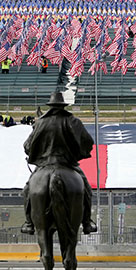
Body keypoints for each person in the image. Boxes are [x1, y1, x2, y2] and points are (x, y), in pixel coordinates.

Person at [20, 91, 97, 236]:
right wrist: (78, 153)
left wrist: (37, 153)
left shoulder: (41, 122)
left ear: (50, 106)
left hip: (45, 164)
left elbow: (27, 146)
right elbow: (88, 142)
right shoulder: (73, 121)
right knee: (86, 188)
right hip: (67, 164)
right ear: (63, 107)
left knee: (27, 190)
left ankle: (29, 223)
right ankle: (87, 222)